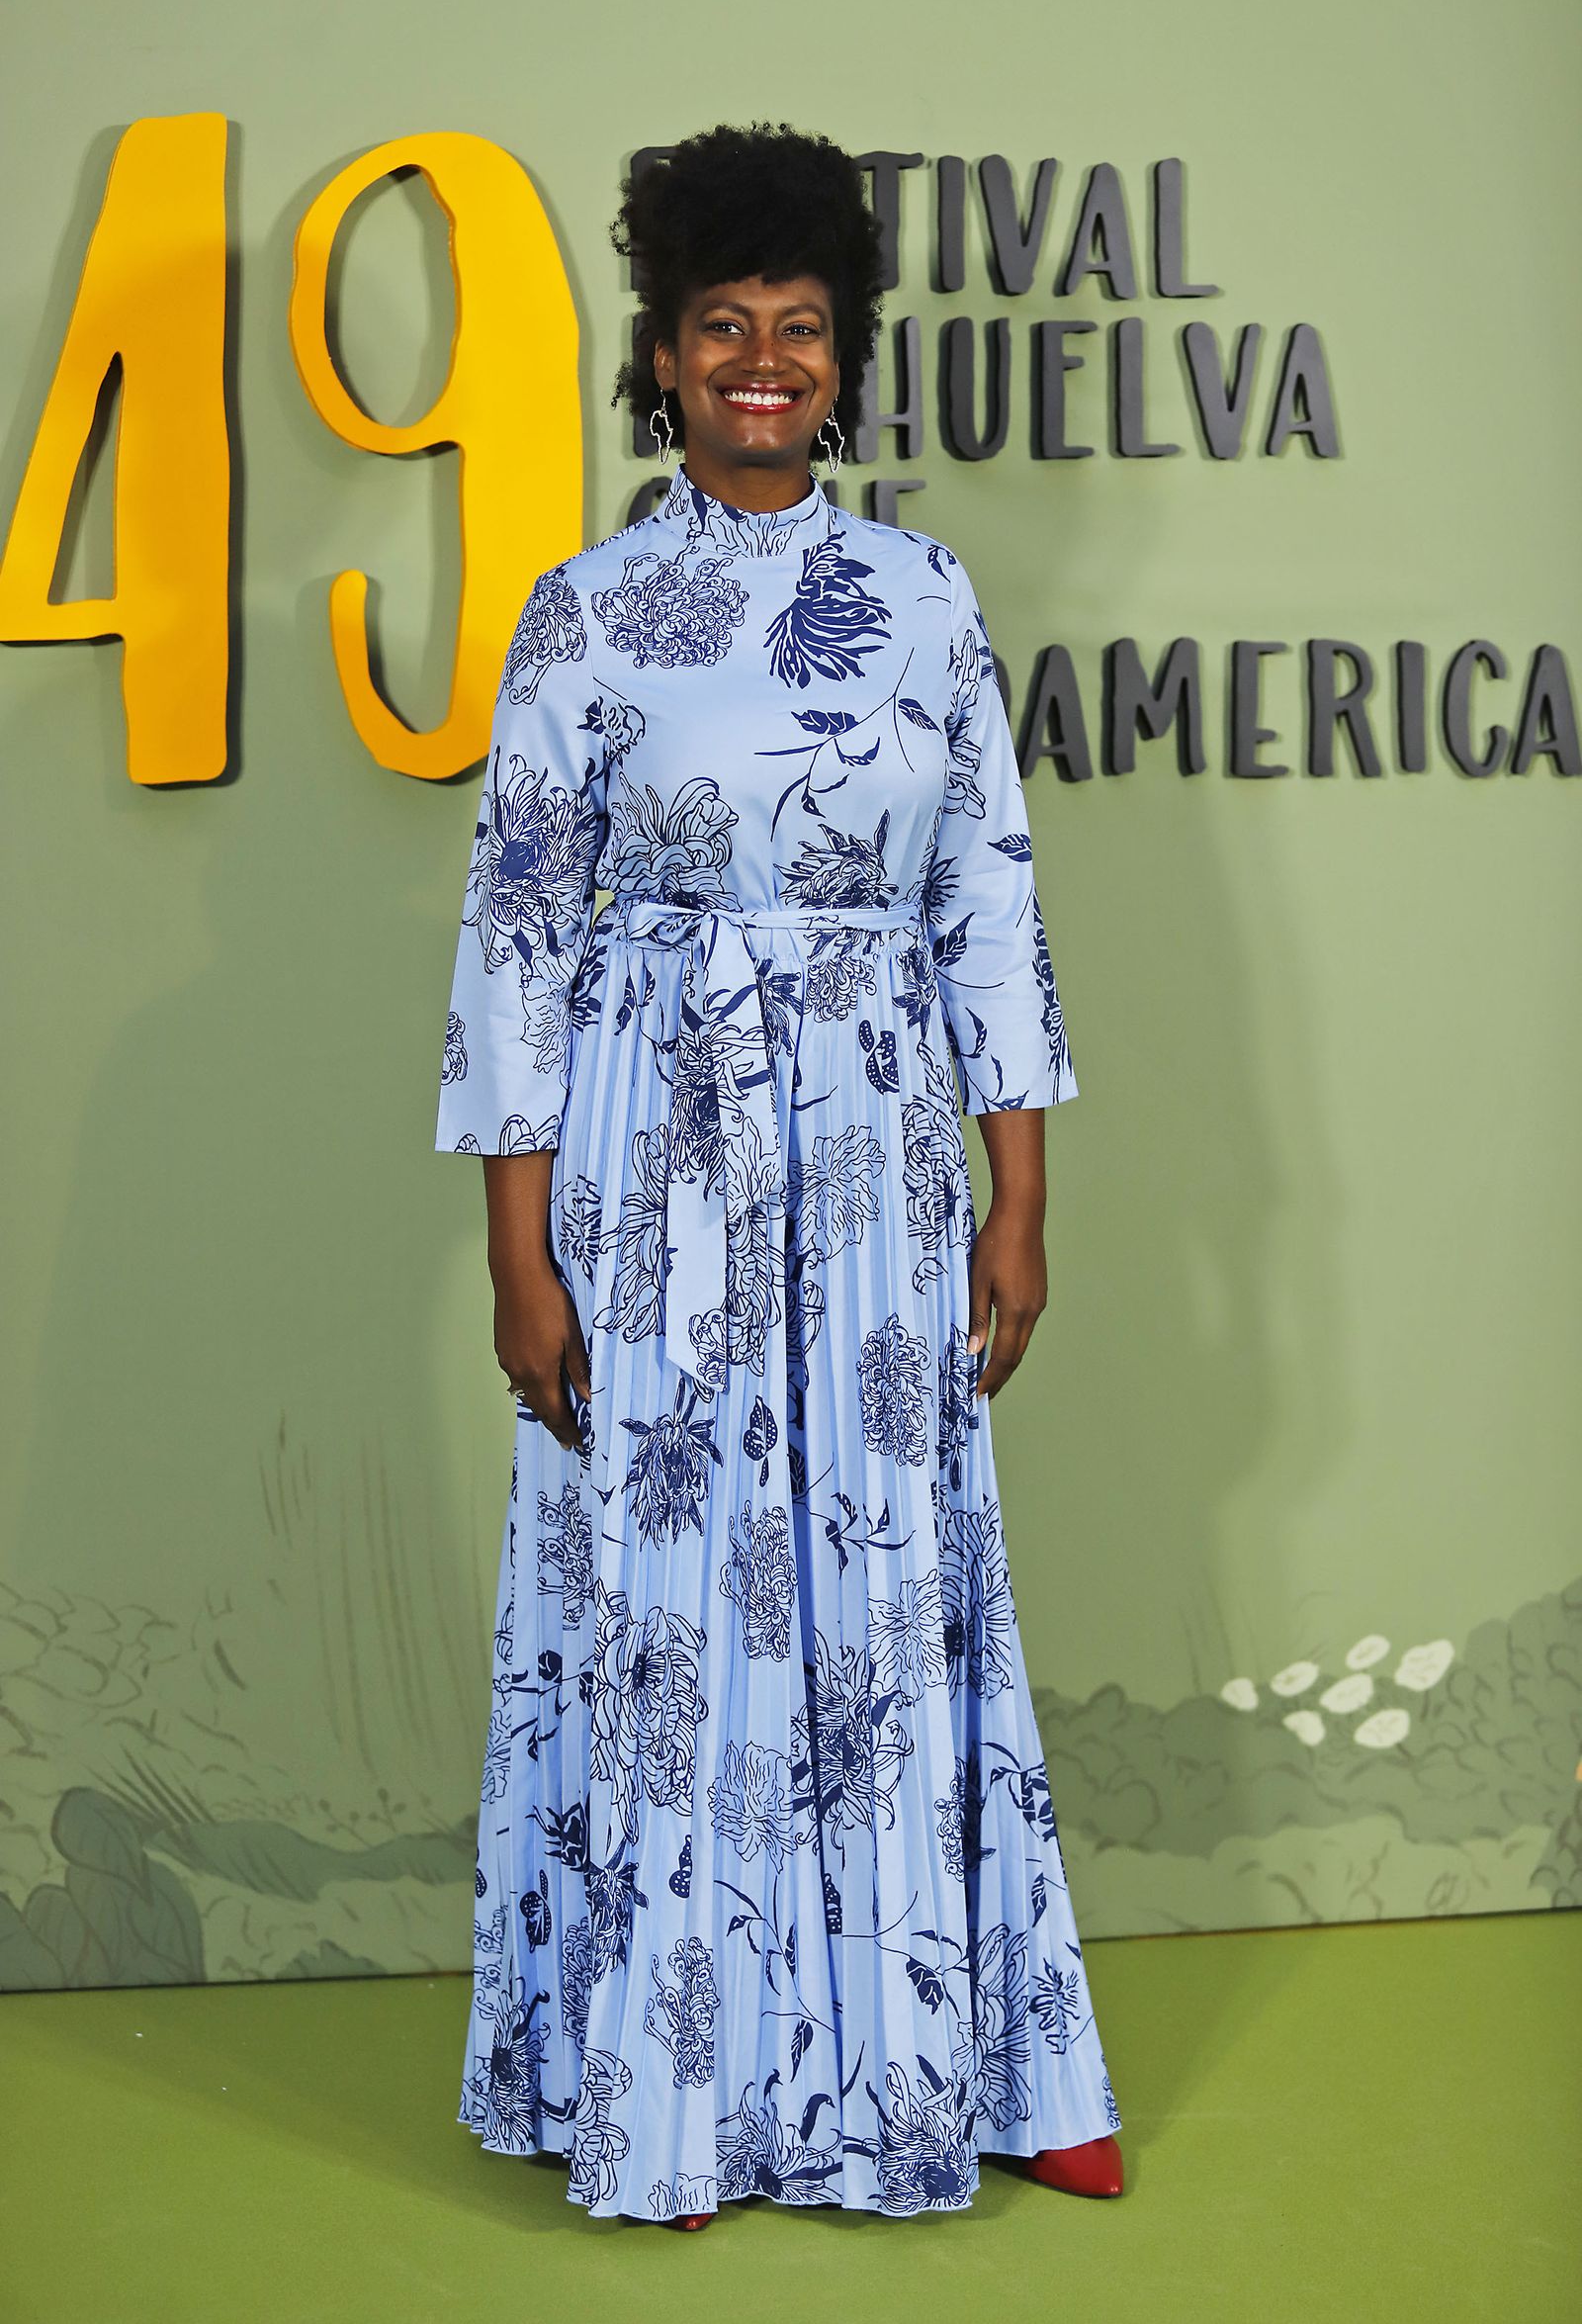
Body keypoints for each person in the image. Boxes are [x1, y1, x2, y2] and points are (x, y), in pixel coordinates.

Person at [434, 121, 1124, 2227]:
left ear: (839, 358)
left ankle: (972, 2058)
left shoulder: (923, 601)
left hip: (881, 1152)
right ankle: (670, 2089)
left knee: (887, 1581)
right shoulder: (582, 611)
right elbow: (516, 944)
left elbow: (983, 906)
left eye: (797, 331)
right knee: (661, 1608)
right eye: (720, 329)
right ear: (659, 358)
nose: (760, 363)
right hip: (649, 1169)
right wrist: (516, 1261)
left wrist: (1018, 1197)